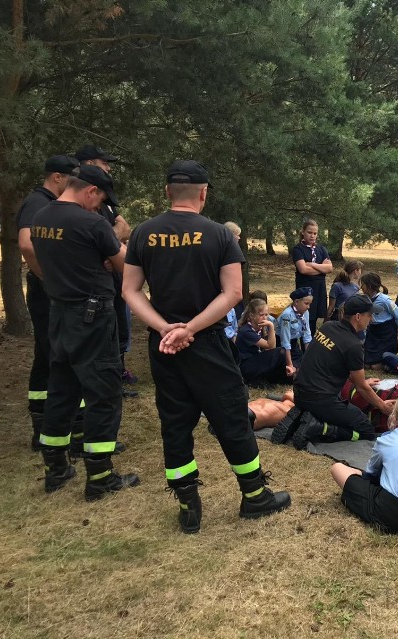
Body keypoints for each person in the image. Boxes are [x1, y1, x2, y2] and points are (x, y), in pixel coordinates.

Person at [122, 160, 290, 533]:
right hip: (208, 343)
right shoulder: (218, 235)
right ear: (203, 193)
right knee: (231, 417)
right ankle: (254, 496)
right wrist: (192, 329)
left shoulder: (143, 233)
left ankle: (188, 505)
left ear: (167, 192)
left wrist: (167, 328)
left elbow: (130, 290)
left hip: (164, 345)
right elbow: (232, 293)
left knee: (175, 423)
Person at [31, 165, 139, 500]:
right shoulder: (90, 222)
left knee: (62, 389)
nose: (99, 207)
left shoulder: (42, 217)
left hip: (59, 314)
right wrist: (119, 237)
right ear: (90, 191)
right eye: (100, 199)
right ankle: (100, 477)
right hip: (92, 315)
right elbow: (124, 265)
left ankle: (56, 469)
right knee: (103, 393)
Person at [16, 154, 80, 450]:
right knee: (51, 355)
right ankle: (45, 428)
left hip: (51, 290)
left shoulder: (47, 204)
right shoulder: (37, 202)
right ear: (57, 177)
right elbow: (27, 244)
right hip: (47, 292)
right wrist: (49, 279)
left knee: (50, 353)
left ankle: (49, 427)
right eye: (71, 180)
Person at [280, 295, 396, 449]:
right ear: (358, 316)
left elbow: (336, 364)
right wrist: (382, 406)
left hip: (300, 392)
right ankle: (318, 427)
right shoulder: (354, 345)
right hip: (321, 399)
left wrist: (361, 381)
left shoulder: (328, 327)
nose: (371, 319)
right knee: (366, 430)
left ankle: (304, 416)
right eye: (370, 315)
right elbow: (361, 387)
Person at [75, 145, 137, 394]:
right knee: (102, 333)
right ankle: (105, 381)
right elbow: (95, 238)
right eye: (104, 163)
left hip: (113, 277)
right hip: (94, 283)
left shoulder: (105, 203)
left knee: (119, 327)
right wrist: (111, 245)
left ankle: (117, 371)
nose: (109, 167)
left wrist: (112, 245)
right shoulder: (80, 202)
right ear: (88, 164)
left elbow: (125, 227)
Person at [330, 395, 398, 535]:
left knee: (337, 468)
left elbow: (370, 474)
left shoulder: (386, 440)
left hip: (391, 515)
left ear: (395, 415)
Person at [292, 218, 333, 334]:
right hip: (305, 287)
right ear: (303, 232)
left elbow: (330, 268)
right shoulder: (298, 249)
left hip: (319, 287)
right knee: (305, 316)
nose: (312, 236)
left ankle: (311, 341)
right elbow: (303, 269)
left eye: (315, 233)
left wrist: (313, 264)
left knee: (314, 318)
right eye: (309, 232)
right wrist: (322, 269)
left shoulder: (321, 249)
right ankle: (303, 341)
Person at [360, 272, 398, 368]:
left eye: (362, 284)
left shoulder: (384, 300)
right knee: (366, 365)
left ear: (370, 286)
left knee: (374, 367)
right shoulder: (365, 299)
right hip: (373, 332)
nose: (361, 287)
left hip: (385, 333)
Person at [236, 298, 282, 386]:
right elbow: (271, 346)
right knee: (279, 352)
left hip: (256, 360)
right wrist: (271, 326)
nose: (265, 318)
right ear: (252, 315)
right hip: (246, 366)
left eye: (266, 314)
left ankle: (285, 378)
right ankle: (256, 379)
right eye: (261, 315)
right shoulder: (246, 331)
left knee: (281, 352)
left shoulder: (259, 328)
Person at [278, 287, 313, 377]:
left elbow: (307, 336)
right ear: (296, 302)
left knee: (305, 369)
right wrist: (290, 365)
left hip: (293, 345)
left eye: (310, 304)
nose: (308, 307)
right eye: (306, 303)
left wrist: (310, 358)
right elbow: (285, 342)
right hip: (281, 346)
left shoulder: (305, 312)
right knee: (290, 372)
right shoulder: (287, 315)